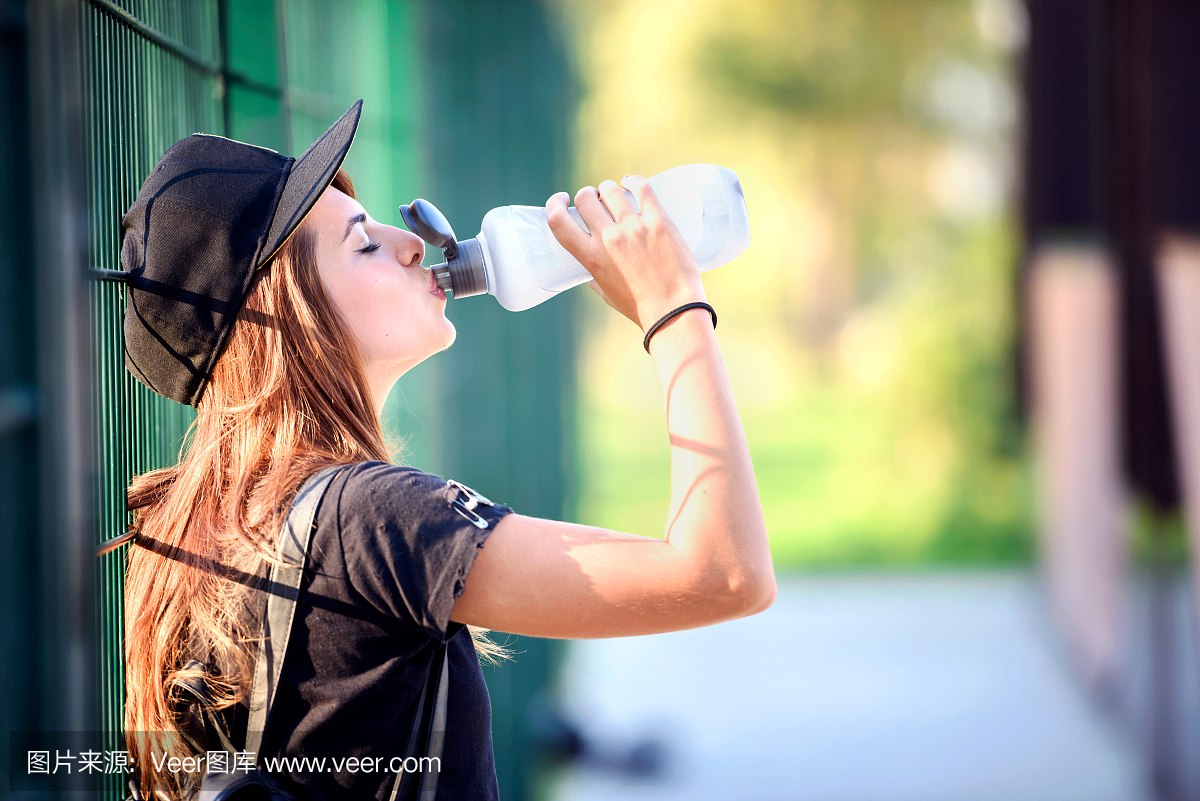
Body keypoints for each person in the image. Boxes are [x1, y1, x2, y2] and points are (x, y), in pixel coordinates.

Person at [120, 100, 774, 800]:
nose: (409, 243)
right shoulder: (370, 518)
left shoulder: (197, 529)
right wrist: (673, 307)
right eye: (363, 244)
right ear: (290, 317)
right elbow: (723, 574)